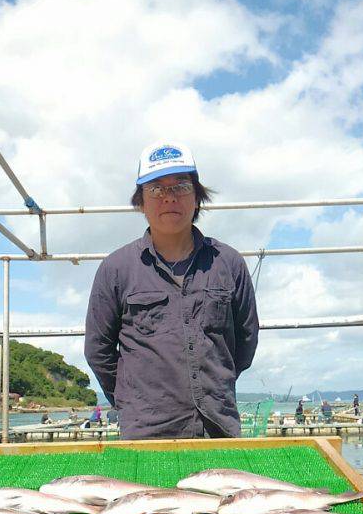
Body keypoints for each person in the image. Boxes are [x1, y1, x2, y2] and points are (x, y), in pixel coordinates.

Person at [85, 141, 259, 439]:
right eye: (155, 189)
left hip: (218, 429)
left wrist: (215, 386)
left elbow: (245, 342)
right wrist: (135, 402)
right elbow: (98, 350)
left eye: (180, 186)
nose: (169, 198)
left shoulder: (229, 263)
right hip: (146, 433)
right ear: (140, 201)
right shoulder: (115, 269)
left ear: (197, 196)